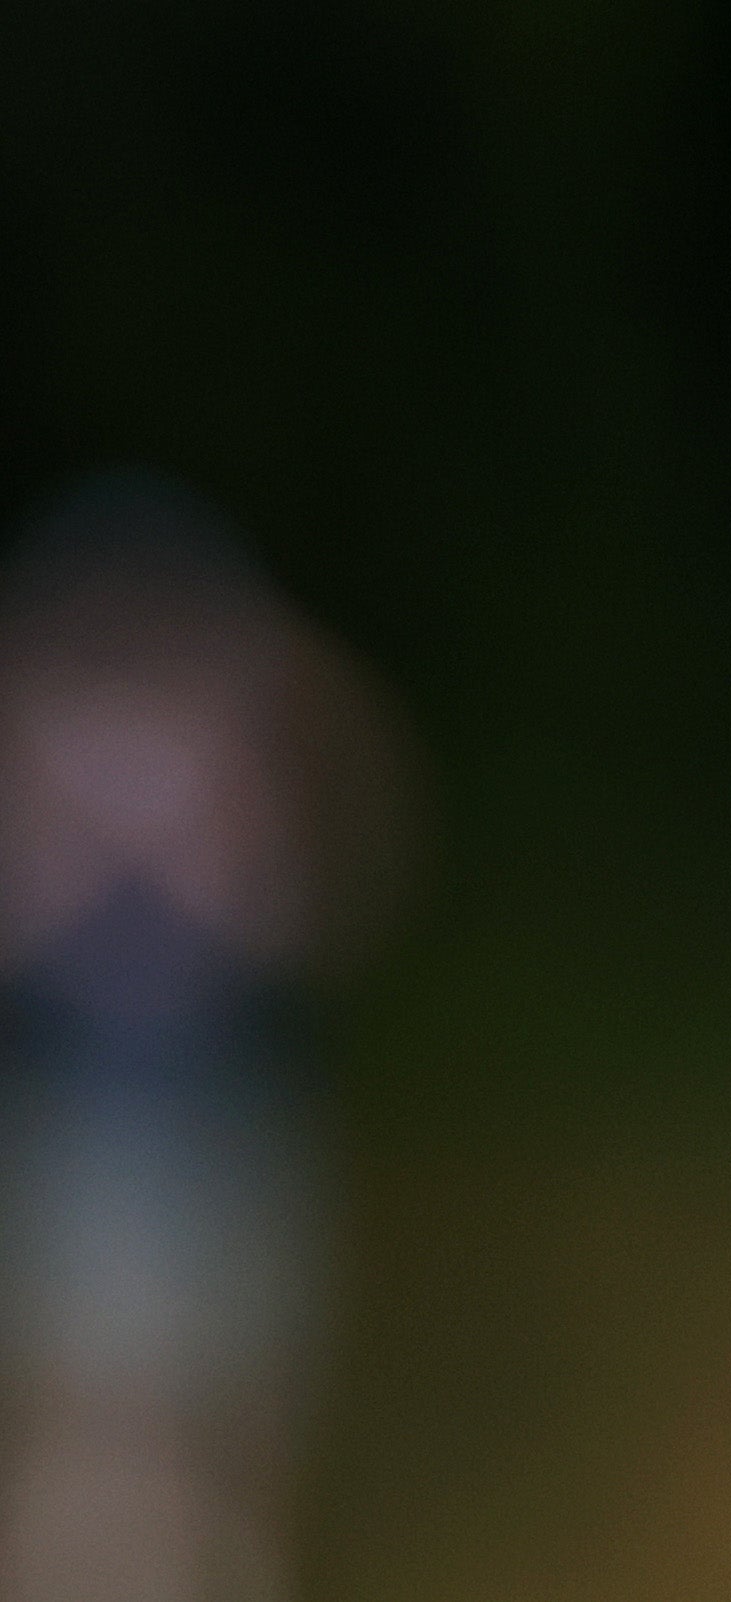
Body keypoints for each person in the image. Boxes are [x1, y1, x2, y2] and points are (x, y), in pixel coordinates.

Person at [0, 474, 412, 1602]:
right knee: (78, 1445)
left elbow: (347, 857)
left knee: (224, 1437)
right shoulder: (36, 735)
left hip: (219, 1102)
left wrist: (277, 663)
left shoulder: (249, 728)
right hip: (69, 1106)